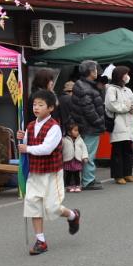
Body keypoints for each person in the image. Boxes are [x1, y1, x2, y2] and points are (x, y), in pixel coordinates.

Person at [20, 89, 81, 255]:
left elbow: (46, 149)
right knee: (33, 206)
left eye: (41, 104)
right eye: (34, 104)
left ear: (50, 108)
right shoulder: (31, 125)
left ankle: (72, 215)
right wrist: (22, 138)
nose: (36, 108)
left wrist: (27, 148)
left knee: (52, 208)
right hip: (34, 173)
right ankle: (41, 241)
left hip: (51, 172)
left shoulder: (54, 127)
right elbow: (26, 144)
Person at [71, 60, 105, 190]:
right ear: (89, 72)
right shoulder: (86, 87)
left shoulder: (82, 85)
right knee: (89, 154)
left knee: (87, 153)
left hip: (85, 125)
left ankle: (88, 178)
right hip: (90, 126)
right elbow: (89, 109)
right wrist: (99, 122)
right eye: (95, 70)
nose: (96, 72)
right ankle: (88, 180)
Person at [105, 66, 133, 185]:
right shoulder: (111, 90)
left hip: (129, 123)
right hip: (118, 124)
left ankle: (128, 173)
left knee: (128, 150)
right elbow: (112, 105)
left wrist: (132, 107)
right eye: (125, 74)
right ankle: (118, 175)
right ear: (119, 75)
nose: (127, 76)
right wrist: (127, 107)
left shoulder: (127, 90)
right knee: (117, 151)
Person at [62, 123, 88, 192]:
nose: (77, 132)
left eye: (77, 130)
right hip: (68, 160)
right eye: (75, 130)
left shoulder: (80, 140)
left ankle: (77, 185)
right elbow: (60, 150)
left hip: (77, 160)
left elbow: (84, 148)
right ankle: (68, 186)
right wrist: (60, 158)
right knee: (68, 174)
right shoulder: (64, 140)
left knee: (77, 174)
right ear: (69, 132)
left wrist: (85, 157)